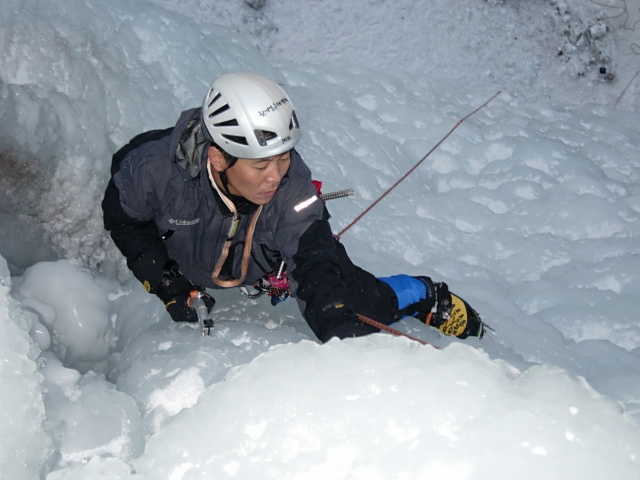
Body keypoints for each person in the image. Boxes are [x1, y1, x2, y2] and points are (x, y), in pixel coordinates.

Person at [102, 71, 485, 343]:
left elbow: (315, 264)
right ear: (218, 158)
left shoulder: (293, 190)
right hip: (193, 258)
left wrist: (339, 329)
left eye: (284, 157)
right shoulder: (152, 172)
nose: (276, 176)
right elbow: (125, 222)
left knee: (366, 304)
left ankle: (421, 293)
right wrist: (168, 283)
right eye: (260, 166)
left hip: (271, 258)